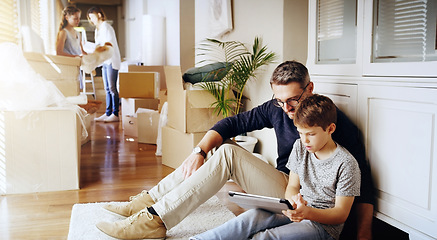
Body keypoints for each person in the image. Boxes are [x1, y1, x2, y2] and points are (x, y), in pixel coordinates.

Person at [96, 61, 374, 240]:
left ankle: (155, 221)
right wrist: (199, 151)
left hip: (315, 208)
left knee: (227, 154)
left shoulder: (336, 126)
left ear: (310, 88)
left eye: (294, 100)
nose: (288, 110)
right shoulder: (277, 109)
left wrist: (363, 236)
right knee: (221, 148)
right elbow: (233, 122)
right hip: (288, 187)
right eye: (280, 102)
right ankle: (146, 204)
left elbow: (363, 185)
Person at [190, 94, 361, 240]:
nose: (305, 140)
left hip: (323, 227)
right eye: (300, 133)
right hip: (297, 212)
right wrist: (293, 202)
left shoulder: (346, 164)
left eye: (311, 134)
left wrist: (307, 212)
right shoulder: (300, 147)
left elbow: (340, 214)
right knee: (251, 217)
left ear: (330, 129)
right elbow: (292, 186)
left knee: (265, 237)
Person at [87, 6, 121, 122]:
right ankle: (108, 113)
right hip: (105, 61)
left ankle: (115, 114)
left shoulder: (106, 27)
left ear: (99, 15)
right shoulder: (98, 30)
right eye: (90, 18)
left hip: (111, 60)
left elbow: (107, 44)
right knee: (107, 89)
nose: (91, 20)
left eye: (92, 17)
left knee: (112, 88)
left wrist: (96, 47)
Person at [56, 6, 86, 89]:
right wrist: (76, 57)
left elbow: (82, 52)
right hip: (67, 68)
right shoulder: (63, 33)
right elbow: (59, 53)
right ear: (67, 17)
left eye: (79, 18)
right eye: (75, 18)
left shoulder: (78, 33)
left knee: (78, 92)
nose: (78, 21)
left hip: (76, 67)